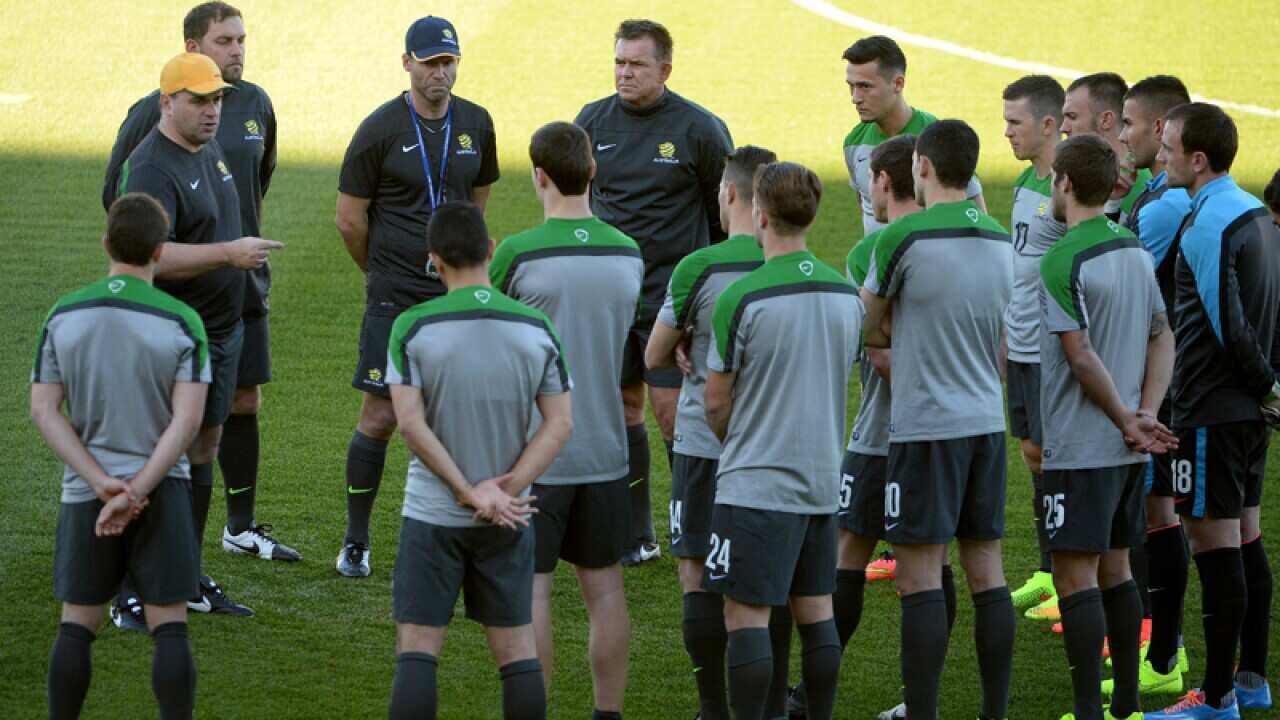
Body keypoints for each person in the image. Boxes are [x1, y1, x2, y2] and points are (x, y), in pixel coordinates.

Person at [102, 1, 294, 569]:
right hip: (182, 311)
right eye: (224, 40)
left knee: (231, 413)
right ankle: (144, 571)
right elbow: (126, 215)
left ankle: (223, 540)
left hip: (236, 294)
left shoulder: (246, 109)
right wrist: (221, 252)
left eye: (242, 39)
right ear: (191, 50)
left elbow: (256, 180)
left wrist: (241, 256)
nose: (237, 50)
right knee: (170, 438)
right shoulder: (154, 126)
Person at [384, 202, 570, 720]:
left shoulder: (411, 327)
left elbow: (409, 424)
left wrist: (467, 492)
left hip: (432, 515)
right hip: (508, 518)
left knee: (418, 652)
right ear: (490, 251)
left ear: (434, 261)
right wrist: (504, 493)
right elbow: (560, 424)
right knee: (518, 656)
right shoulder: (537, 328)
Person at [334, 15, 499, 577]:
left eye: (448, 61)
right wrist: (380, 270)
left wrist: (461, 260)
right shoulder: (379, 129)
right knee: (380, 415)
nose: (440, 72)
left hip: (457, 292)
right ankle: (356, 539)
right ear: (406, 63)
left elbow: (476, 203)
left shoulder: (477, 122)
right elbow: (349, 220)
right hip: (396, 292)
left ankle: (463, 528)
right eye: (429, 62)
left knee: (462, 409)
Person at [861, 120, 1015, 720]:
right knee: (987, 572)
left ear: (920, 166)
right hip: (986, 422)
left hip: (926, 427)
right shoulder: (1001, 237)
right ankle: (993, 713)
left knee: (918, 578)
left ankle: (920, 713)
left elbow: (869, 326)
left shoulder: (901, 239)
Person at [34, 193, 209, 719]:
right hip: (164, 490)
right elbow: (188, 422)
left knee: (76, 624)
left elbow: (44, 411)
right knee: (170, 624)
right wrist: (137, 489)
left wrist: (101, 483)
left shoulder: (64, 314)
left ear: (105, 244)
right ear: (161, 251)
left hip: (88, 494)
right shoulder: (183, 322)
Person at [490, 122, 643, 720]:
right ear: (594, 173)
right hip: (607, 448)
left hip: (537, 455)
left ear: (539, 175)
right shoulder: (627, 252)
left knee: (533, 591)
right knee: (605, 589)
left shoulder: (518, 253)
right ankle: (609, 713)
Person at [702, 161, 863, 720]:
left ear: (759, 214)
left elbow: (716, 402)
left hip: (755, 485)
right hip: (822, 480)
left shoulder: (741, 298)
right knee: (815, 611)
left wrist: (741, 442)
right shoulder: (847, 295)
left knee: (744, 617)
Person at [575, 18, 734, 566]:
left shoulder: (699, 130)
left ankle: (697, 530)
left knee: (675, 416)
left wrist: (703, 292)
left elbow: (728, 219)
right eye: (619, 61)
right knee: (622, 409)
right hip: (611, 299)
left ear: (664, 69)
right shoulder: (591, 121)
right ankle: (637, 534)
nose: (624, 72)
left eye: (636, 64)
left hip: (672, 301)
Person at [1035, 134, 1176, 720]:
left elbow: (1079, 354)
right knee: (1117, 568)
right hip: (1127, 450)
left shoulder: (1061, 257)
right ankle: (1126, 706)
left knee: (1074, 577)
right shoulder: (1133, 248)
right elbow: (1161, 335)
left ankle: (1089, 710)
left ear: (1064, 182)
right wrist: (1146, 413)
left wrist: (1125, 418)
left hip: (1081, 444)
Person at [789, 134, 930, 720]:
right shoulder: (968, 240)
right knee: (932, 562)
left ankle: (812, 695)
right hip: (955, 430)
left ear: (884, 181)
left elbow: (876, 352)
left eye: (868, 177)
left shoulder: (874, 252)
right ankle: (920, 703)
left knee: (850, 551)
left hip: (884, 432)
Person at [1149, 102, 1280, 718]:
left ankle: (1217, 698)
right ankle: (1251, 681)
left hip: (1208, 410)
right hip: (1245, 415)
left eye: (1169, 147)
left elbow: (1228, 326)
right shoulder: (1254, 212)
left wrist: (1264, 385)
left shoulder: (1206, 226)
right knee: (1247, 538)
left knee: (1214, 546)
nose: (1160, 156)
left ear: (1197, 159)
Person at [645, 144, 774, 720]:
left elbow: (653, 354)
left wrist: (679, 339)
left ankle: (712, 709)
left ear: (727, 194)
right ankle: (770, 705)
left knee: (696, 568)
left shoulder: (699, 267)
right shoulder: (794, 266)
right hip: (771, 446)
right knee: (769, 581)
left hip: (702, 443)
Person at [1114, 74, 1195, 698]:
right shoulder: (1155, 193)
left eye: (1131, 126)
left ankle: (1164, 656)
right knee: (1159, 511)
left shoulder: (1166, 202)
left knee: (1165, 513)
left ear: (1164, 127)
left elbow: (1124, 274)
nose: (1124, 135)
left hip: (1169, 384)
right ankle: (1157, 647)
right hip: (1163, 378)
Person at [1000, 74, 1069, 623]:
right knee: (1032, 453)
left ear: (1048, 124)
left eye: (1014, 123)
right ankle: (1048, 574)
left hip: (1052, 351)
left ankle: (1070, 581)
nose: (1007, 133)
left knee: (1060, 459)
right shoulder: (1026, 181)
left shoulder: (1070, 187)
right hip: (1019, 343)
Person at [841, 35, 984, 237]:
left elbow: (974, 210)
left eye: (865, 86)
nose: (855, 98)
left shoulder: (936, 137)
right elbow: (867, 208)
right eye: (851, 86)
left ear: (898, 84)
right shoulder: (853, 143)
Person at [1060, 73, 1150, 227]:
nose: (1063, 128)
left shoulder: (1145, 189)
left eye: (1072, 117)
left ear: (1106, 120)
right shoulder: (1077, 178)